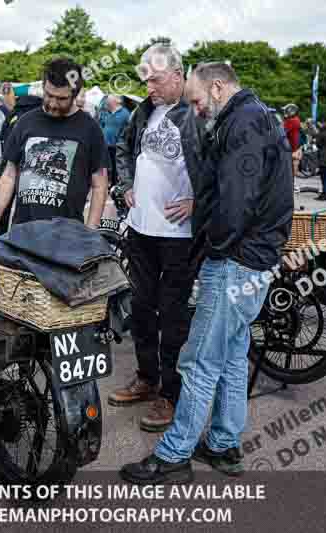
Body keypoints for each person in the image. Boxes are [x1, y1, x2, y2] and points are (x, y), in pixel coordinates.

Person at [120, 61, 293, 485]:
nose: (195, 110)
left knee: (197, 360)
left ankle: (173, 455)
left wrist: (211, 250)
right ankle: (223, 444)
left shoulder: (244, 122)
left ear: (217, 88)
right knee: (232, 356)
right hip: (253, 259)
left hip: (236, 261)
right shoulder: (257, 117)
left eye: (197, 100)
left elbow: (235, 204)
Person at [108, 43, 205, 433]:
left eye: (157, 80)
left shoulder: (197, 113)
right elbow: (122, 151)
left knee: (174, 315)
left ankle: (171, 392)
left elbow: (218, 163)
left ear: (178, 76)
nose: (149, 86)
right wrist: (125, 186)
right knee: (143, 308)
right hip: (141, 230)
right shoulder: (142, 112)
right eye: (146, 80)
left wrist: (198, 201)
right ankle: (147, 377)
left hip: (179, 237)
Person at [0, 58, 109, 237]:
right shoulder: (26, 122)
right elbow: (8, 176)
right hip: (23, 232)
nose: (53, 104)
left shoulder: (90, 128)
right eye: (49, 95)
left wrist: (91, 233)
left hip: (67, 235)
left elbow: (99, 184)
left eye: (62, 98)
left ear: (75, 93)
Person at [0, 84, 44, 236]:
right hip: (30, 166)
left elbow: (1, 135)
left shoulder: (14, 113)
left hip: (8, 162)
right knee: (28, 207)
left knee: (3, 205)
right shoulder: (39, 115)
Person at [102, 94, 130, 185]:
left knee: (115, 167)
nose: (107, 100)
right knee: (104, 166)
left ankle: (114, 185)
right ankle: (104, 184)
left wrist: (121, 141)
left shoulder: (125, 113)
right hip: (105, 145)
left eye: (110, 98)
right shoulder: (107, 112)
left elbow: (128, 130)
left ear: (117, 100)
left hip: (116, 146)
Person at [282, 104, 302, 177]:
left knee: (288, 172)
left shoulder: (292, 121)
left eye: (286, 111)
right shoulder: (296, 119)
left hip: (290, 149)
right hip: (294, 148)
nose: (284, 113)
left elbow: (281, 131)